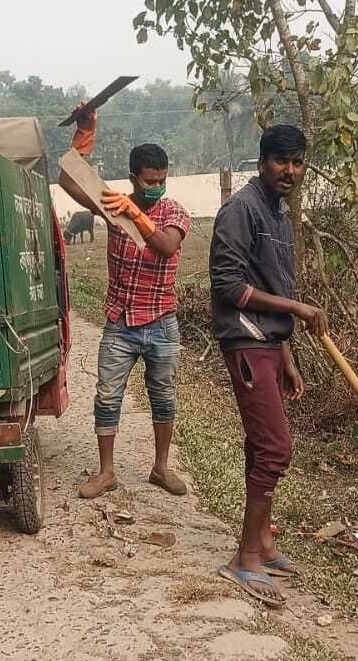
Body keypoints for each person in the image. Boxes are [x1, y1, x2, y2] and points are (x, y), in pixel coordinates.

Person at [208, 124, 327, 607]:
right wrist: (297, 311)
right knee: (275, 448)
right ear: (262, 162)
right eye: (282, 161)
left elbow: (271, 281)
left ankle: (263, 544)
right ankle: (243, 560)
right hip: (246, 342)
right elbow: (229, 287)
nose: (291, 171)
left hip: (269, 344)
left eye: (298, 163)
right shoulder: (241, 210)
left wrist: (287, 354)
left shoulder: (277, 212)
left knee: (262, 448)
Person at [71, 105, 191, 500]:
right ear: (133, 178)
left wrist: (136, 213)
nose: (157, 185)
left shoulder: (173, 212)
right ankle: (106, 473)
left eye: (162, 179)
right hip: (121, 322)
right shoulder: (114, 206)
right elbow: (70, 180)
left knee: (164, 395)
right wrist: (85, 134)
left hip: (161, 322)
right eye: (150, 180)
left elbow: (166, 246)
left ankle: (160, 468)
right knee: (107, 395)